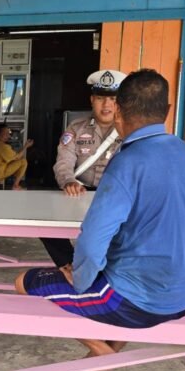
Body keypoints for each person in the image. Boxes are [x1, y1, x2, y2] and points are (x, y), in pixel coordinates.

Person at [17, 69, 185, 371]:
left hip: (137, 300)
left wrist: (82, 279)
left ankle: (104, 358)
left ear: (118, 109)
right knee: (119, 279)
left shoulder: (129, 161)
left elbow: (92, 241)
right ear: (166, 109)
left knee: (23, 282)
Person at [40, 69, 126, 268]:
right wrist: (68, 180)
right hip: (79, 194)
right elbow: (64, 162)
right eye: (100, 99)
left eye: (112, 99)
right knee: (46, 227)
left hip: (116, 198)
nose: (106, 105)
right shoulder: (75, 128)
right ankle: (71, 267)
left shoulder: (130, 129)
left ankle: (109, 272)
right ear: (91, 100)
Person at [0, 123, 34, 190]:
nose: (8, 136)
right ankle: (15, 185)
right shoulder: (2, 146)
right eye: (5, 133)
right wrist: (26, 146)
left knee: (7, 162)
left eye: (8, 133)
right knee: (23, 161)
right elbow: (17, 157)